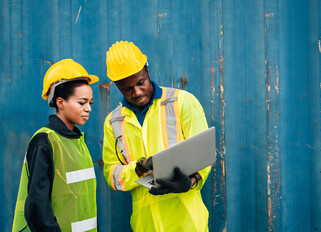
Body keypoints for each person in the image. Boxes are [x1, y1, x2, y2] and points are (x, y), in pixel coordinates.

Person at [102, 41, 211, 231]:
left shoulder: (181, 102)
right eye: (127, 88)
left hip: (187, 221)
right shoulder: (113, 122)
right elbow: (112, 175)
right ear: (117, 85)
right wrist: (138, 168)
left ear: (147, 70)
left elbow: (204, 154)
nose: (137, 92)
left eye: (140, 83)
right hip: (145, 224)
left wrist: (191, 182)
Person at [12, 59, 99, 232]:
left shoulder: (77, 140)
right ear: (60, 103)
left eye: (90, 103)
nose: (88, 108)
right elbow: (37, 208)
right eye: (82, 103)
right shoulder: (45, 141)